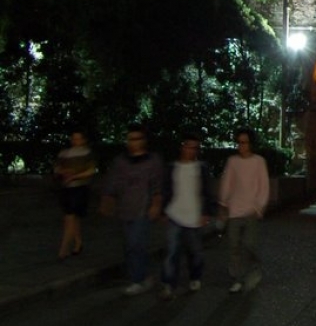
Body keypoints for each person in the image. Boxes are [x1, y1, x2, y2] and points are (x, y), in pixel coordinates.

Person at [100, 124, 164, 295]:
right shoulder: (121, 161)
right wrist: (108, 200)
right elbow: (113, 183)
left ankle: (138, 279)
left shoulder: (152, 161)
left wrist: (156, 204)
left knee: (137, 243)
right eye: (131, 139)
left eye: (137, 139)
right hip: (125, 208)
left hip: (142, 209)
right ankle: (140, 275)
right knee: (129, 246)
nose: (134, 143)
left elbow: (157, 185)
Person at [159, 129, 216, 299]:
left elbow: (207, 191)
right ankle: (169, 283)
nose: (191, 151)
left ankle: (195, 275)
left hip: (194, 216)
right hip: (175, 214)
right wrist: (163, 210)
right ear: (182, 147)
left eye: (195, 148)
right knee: (171, 251)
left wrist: (206, 212)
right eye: (188, 147)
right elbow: (166, 190)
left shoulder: (201, 168)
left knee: (195, 251)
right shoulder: (172, 168)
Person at [217, 128, 270, 293]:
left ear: (250, 144)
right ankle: (237, 278)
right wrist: (223, 204)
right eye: (239, 143)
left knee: (249, 244)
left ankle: (255, 265)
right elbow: (227, 182)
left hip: (251, 210)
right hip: (234, 209)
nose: (241, 146)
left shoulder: (259, 161)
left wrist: (258, 206)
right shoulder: (232, 161)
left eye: (245, 142)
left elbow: (264, 186)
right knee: (234, 245)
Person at [54, 127, 96, 259]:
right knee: (73, 217)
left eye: (79, 139)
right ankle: (78, 242)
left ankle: (64, 248)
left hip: (80, 187)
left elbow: (91, 170)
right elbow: (57, 168)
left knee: (71, 216)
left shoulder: (87, 153)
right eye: (74, 138)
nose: (76, 141)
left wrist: (75, 176)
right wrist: (64, 173)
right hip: (67, 187)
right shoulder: (64, 153)